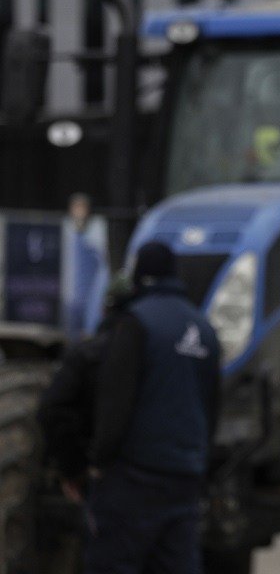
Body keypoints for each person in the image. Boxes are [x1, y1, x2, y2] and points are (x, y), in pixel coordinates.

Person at [85, 241, 221, 574]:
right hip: (185, 476)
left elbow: (115, 402)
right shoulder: (204, 329)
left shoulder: (136, 323)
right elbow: (212, 405)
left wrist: (99, 461)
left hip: (135, 477)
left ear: (139, 275)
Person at [38, 273, 135, 502]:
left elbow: (53, 410)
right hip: (147, 476)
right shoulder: (154, 356)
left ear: (104, 309)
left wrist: (74, 470)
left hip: (98, 474)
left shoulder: (87, 354)